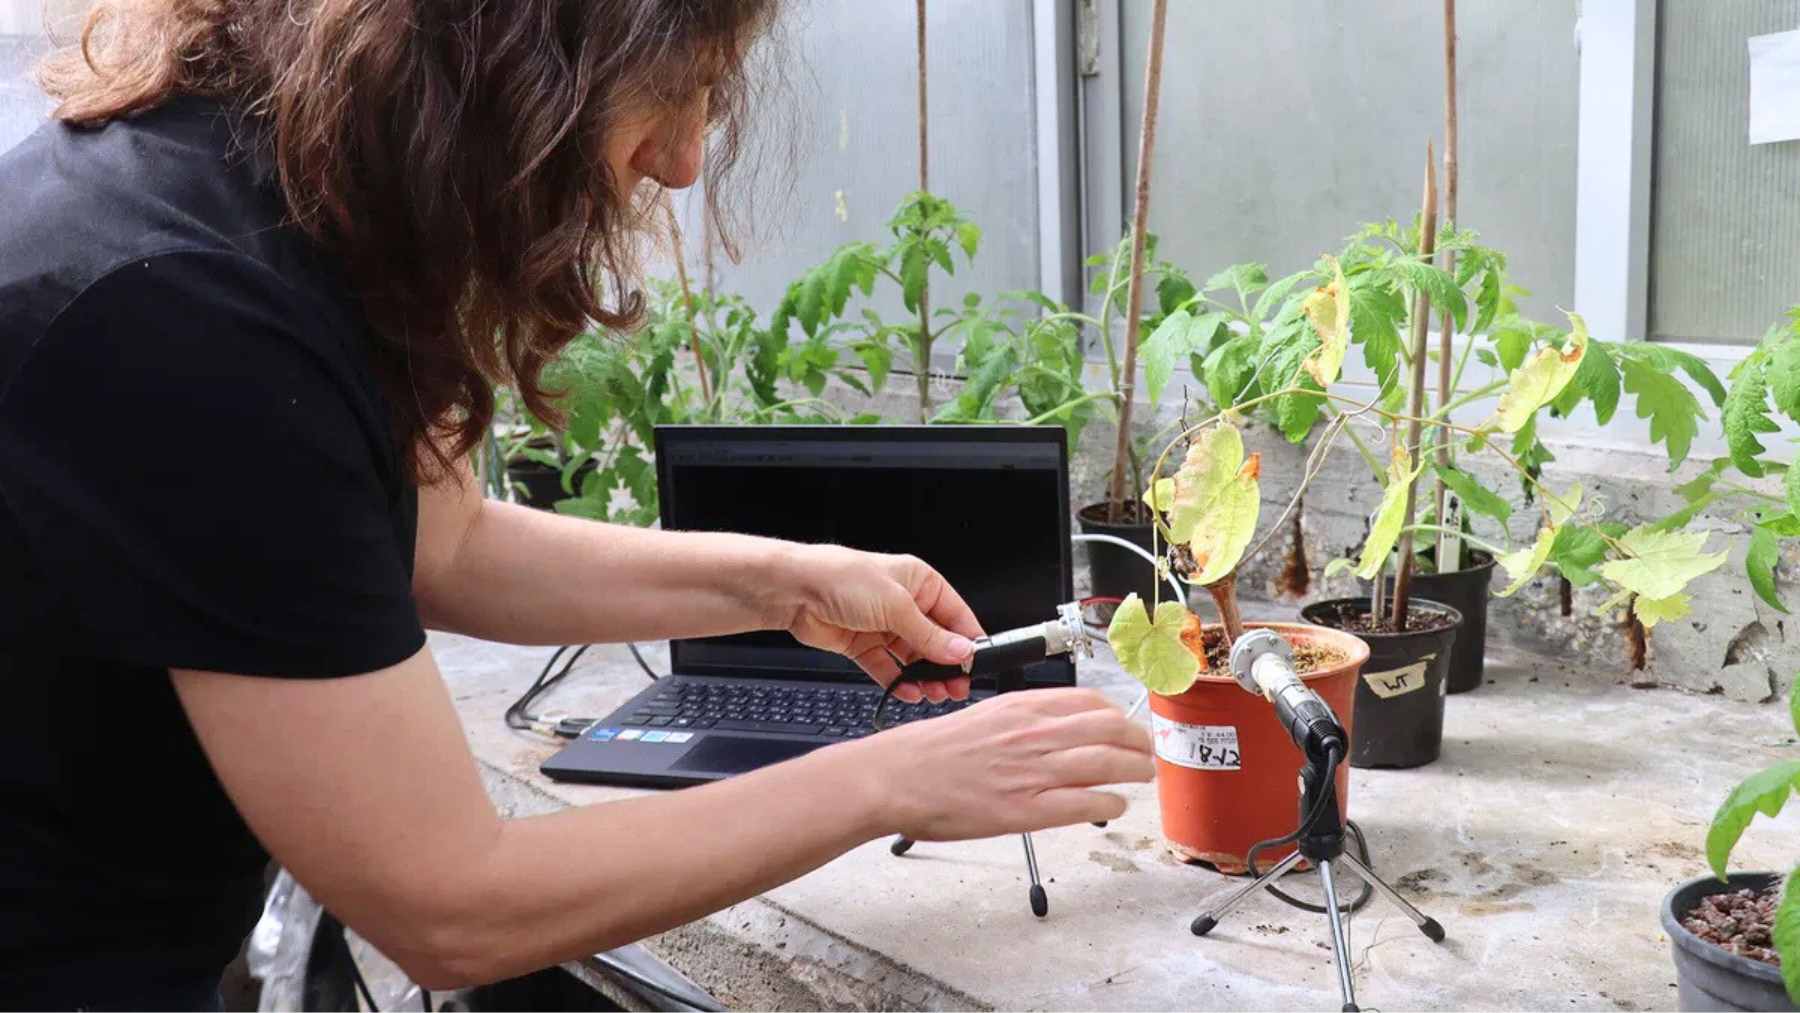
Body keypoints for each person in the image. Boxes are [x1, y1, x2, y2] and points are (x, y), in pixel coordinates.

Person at [0, 2, 1155, 1008]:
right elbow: (449, 902)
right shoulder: (188, 310)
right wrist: (895, 775)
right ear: (515, 58)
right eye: (677, 88)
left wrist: (785, 579)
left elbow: (443, 543)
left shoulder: (285, 191)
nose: (690, 159)